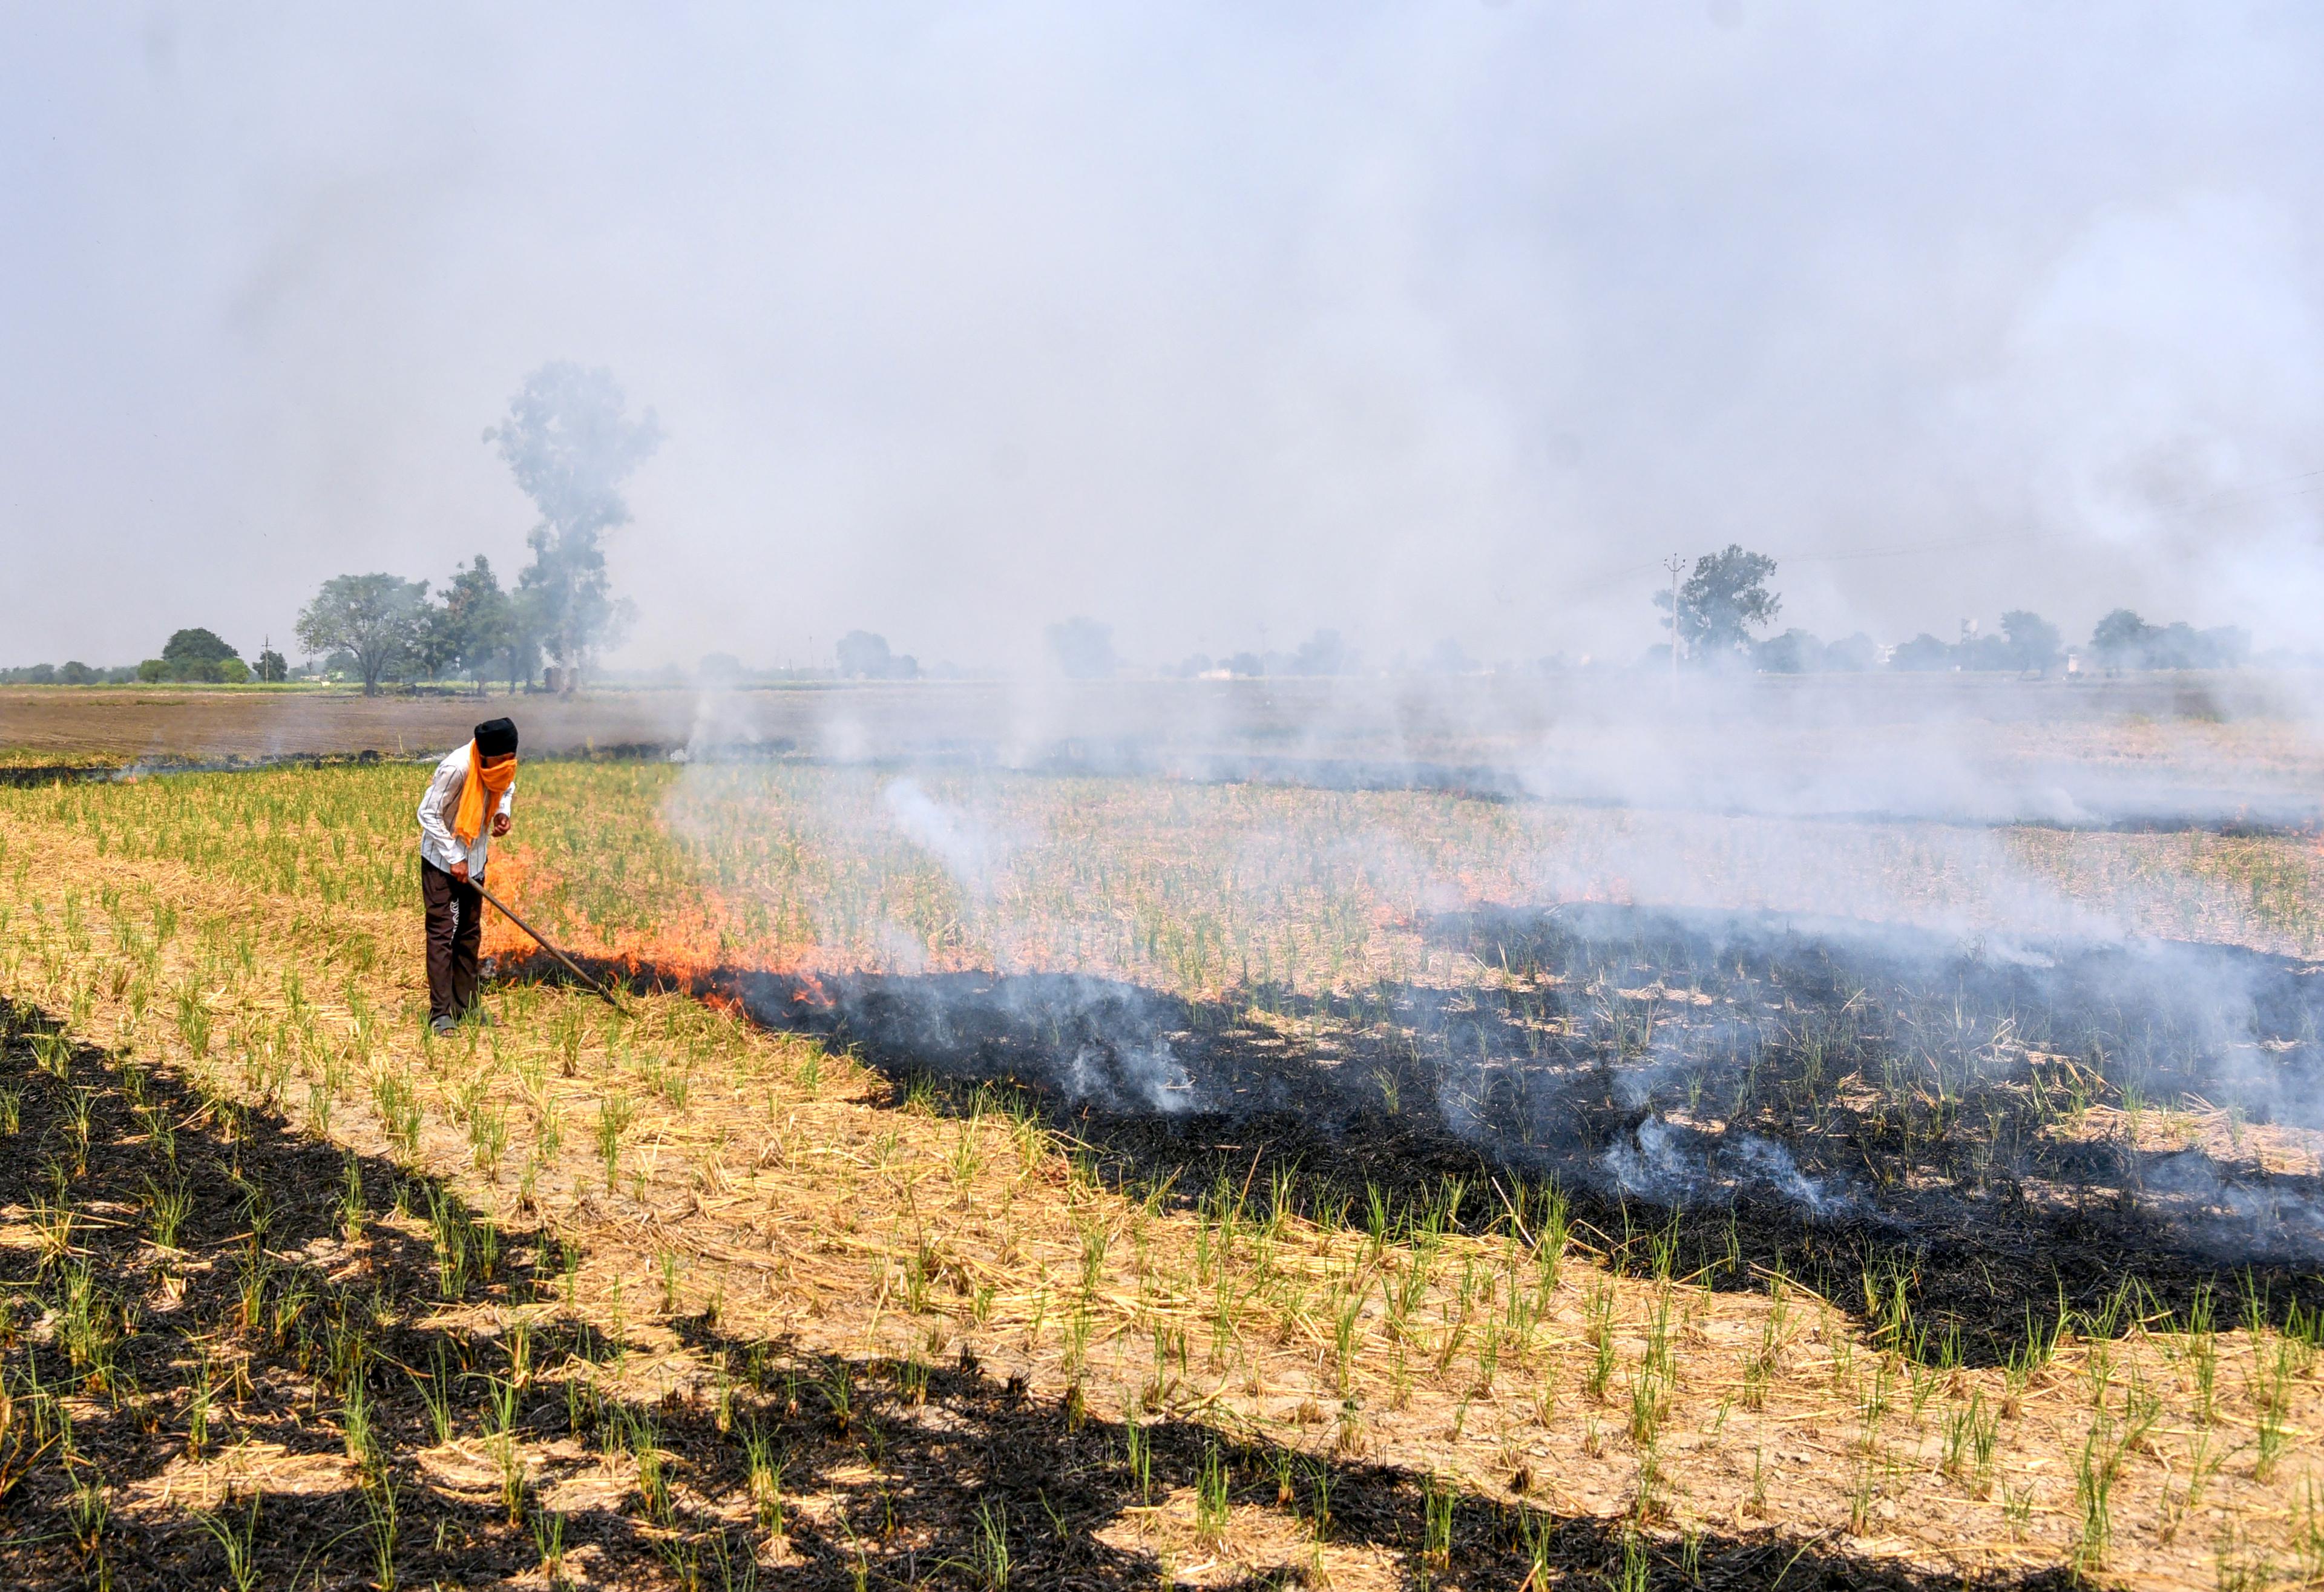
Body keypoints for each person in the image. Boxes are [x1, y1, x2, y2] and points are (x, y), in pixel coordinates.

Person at [417, 717, 519, 1034]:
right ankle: (440, 1014)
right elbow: (427, 813)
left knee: (470, 933)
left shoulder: (503, 764)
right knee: (443, 934)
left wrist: (503, 812)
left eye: (511, 759)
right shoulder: (457, 768)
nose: (508, 765)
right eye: (501, 760)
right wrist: (454, 856)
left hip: (475, 861)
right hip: (442, 863)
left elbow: (507, 787)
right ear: (486, 755)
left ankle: (466, 1005)